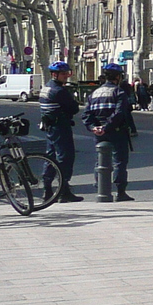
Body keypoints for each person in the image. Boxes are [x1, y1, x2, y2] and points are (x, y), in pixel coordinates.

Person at [81, 62, 135, 201]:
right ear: (117, 77)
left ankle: (102, 190)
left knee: (100, 161)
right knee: (119, 162)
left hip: (99, 133)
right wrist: (107, 127)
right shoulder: (119, 92)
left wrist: (94, 127)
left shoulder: (94, 93)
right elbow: (119, 113)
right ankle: (120, 192)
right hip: (116, 132)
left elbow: (86, 115)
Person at [38, 61, 84, 203]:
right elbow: (73, 108)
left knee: (50, 157)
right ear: (54, 74)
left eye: (67, 74)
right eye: (63, 74)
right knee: (65, 157)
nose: (66, 76)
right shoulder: (59, 91)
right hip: (60, 126)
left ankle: (47, 189)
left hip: (50, 126)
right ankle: (63, 190)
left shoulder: (46, 88)